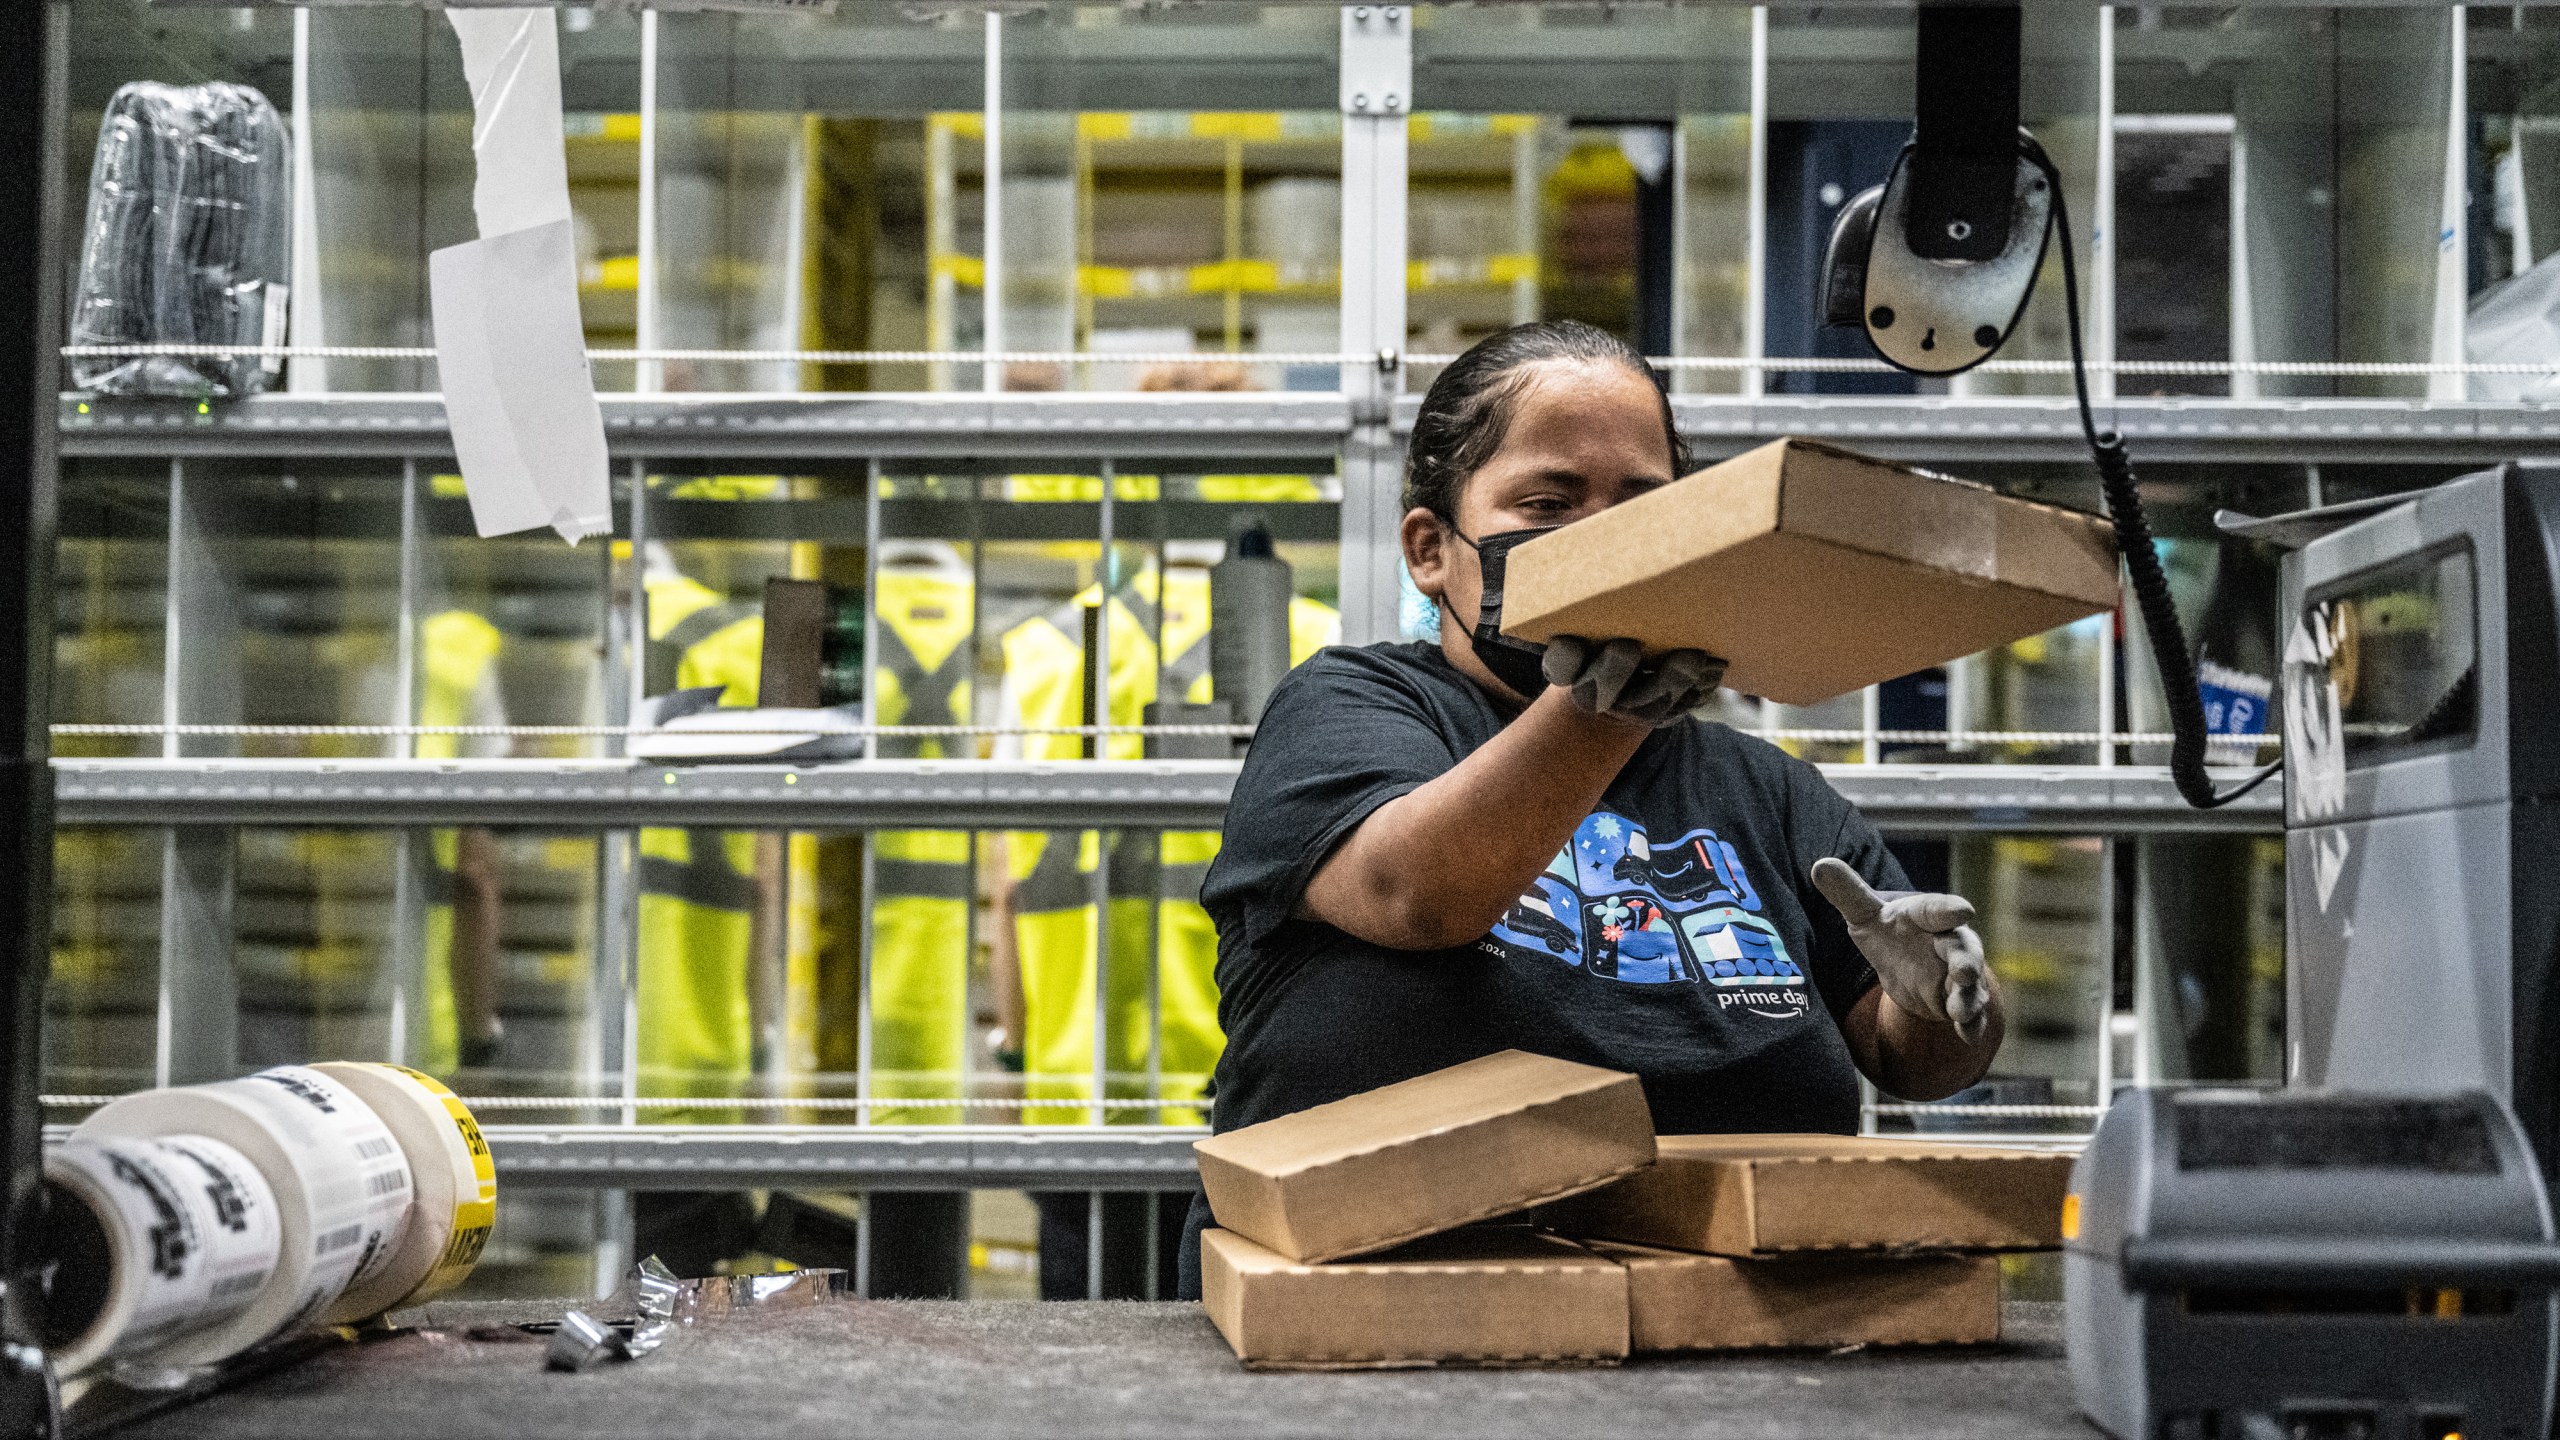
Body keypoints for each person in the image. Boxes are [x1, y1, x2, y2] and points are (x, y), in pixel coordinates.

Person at [1176, 320, 2003, 1297]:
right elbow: (1420, 895)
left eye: (1640, 507)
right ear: (1430, 548)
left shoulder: (1767, 791)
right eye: (1550, 500)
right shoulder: (1351, 708)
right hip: (1380, 1320)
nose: (1606, 540)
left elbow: (1912, 1063)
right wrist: (1602, 713)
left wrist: (1945, 1010)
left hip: (1737, 1333)